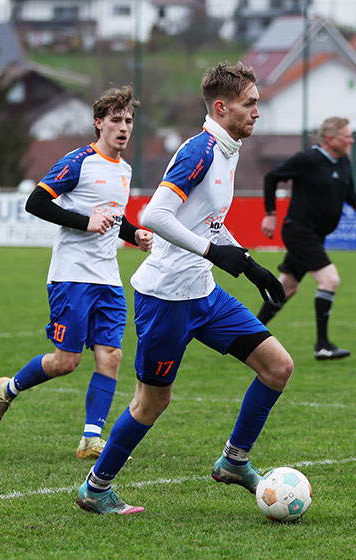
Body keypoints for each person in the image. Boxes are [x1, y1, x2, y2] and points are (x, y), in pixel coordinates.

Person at [75, 61, 291, 515]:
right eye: (250, 103)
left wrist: (248, 264)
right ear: (222, 107)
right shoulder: (200, 151)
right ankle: (96, 488)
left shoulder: (228, 150)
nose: (257, 111)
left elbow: (207, 223)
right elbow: (154, 215)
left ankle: (234, 461)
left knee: (277, 367)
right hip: (166, 299)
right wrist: (213, 253)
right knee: (152, 402)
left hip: (204, 294)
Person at [0, 85, 153, 460]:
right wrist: (84, 222)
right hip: (72, 275)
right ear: (98, 123)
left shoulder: (124, 169)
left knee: (111, 356)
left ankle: (91, 438)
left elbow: (113, 218)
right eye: (116, 120)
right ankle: (8, 388)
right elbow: (36, 202)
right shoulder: (78, 162)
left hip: (108, 278)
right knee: (66, 361)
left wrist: (133, 233)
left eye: (129, 121)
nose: (124, 127)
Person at [256, 116, 356, 360]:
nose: (351, 140)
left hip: (315, 235)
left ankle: (246, 335)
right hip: (299, 232)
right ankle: (322, 346)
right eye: (347, 136)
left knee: (287, 288)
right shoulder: (308, 159)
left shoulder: (343, 162)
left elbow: (348, 190)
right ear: (331, 139)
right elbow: (271, 177)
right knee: (330, 280)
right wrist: (270, 214)